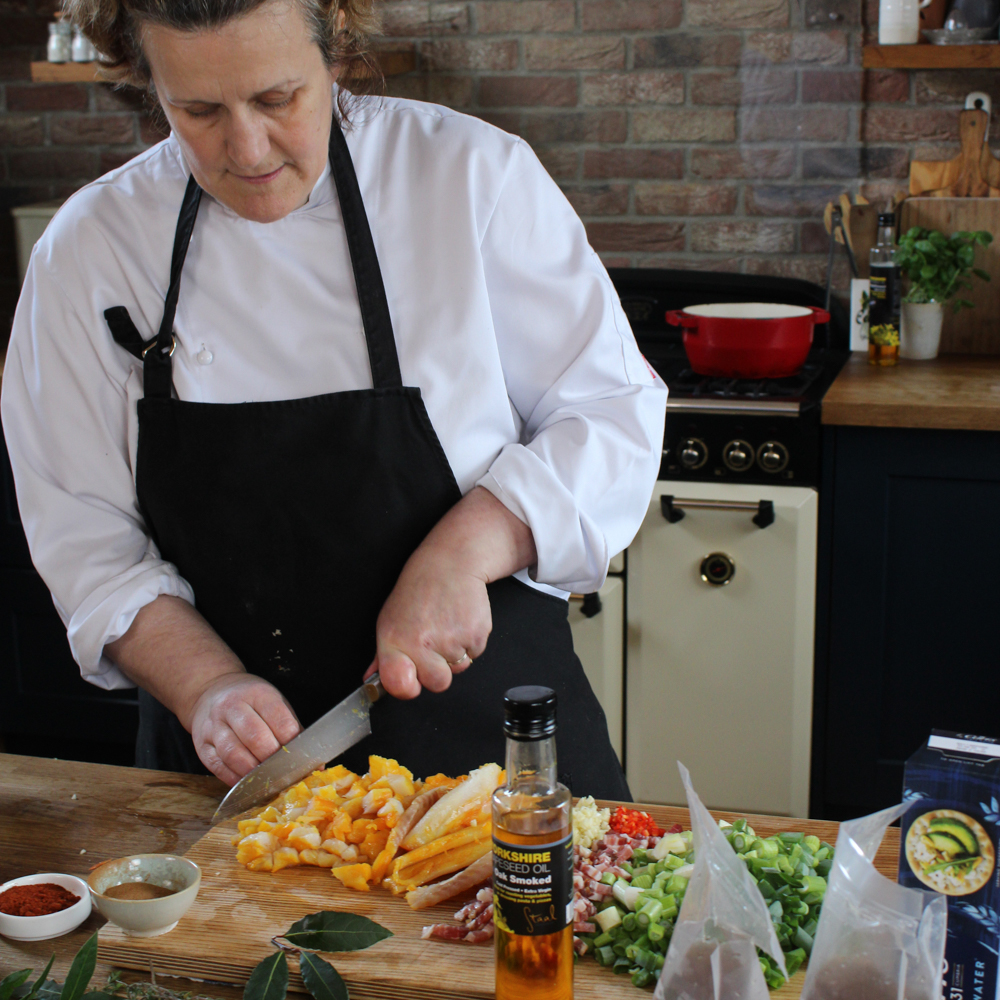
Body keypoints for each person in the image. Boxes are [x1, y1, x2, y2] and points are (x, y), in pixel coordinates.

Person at [1, 0, 666, 801]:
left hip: (495, 760)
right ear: (149, 84)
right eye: (198, 111)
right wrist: (207, 688)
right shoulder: (90, 249)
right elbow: (85, 542)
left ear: (337, 51)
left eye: (278, 99)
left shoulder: (467, 176)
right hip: (235, 775)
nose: (245, 148)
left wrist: (461, 554)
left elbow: (610, 410)